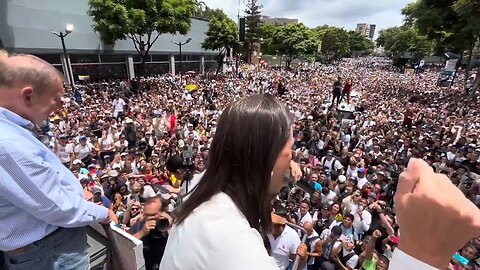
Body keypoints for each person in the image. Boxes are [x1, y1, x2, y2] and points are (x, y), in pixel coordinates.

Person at [160, 94, 308, 269]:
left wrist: (282, 164)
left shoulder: (203, 186)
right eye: (290, 149)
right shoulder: (239, 247)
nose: (293, 157)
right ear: (265, 159)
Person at [0, 51, 117, 270]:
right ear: (28, 96)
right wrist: (102, 213)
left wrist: (75, 193)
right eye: (54, 101)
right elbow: (55, 207)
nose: (58, 109)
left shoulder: (12, 132)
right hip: (50, 252)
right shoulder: (7, 143)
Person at [128, 196, 172, 270]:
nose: (149, 218)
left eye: (153, 215)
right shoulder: (139, 227)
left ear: (164, 212)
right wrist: (141, 233)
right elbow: (124, 247)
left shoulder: (174, 225)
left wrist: (170, 228)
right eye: (147, 215)